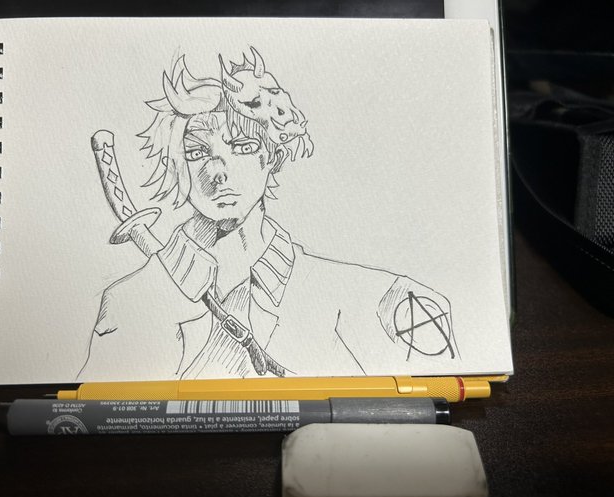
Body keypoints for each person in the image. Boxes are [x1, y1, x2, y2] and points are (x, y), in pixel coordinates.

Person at [78, 50, 455, 381]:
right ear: (176, 166)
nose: (217, 171)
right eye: (196, 153)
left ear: (272, 155)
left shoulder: (372, 296)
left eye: (242, 146)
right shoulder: (130, 299)